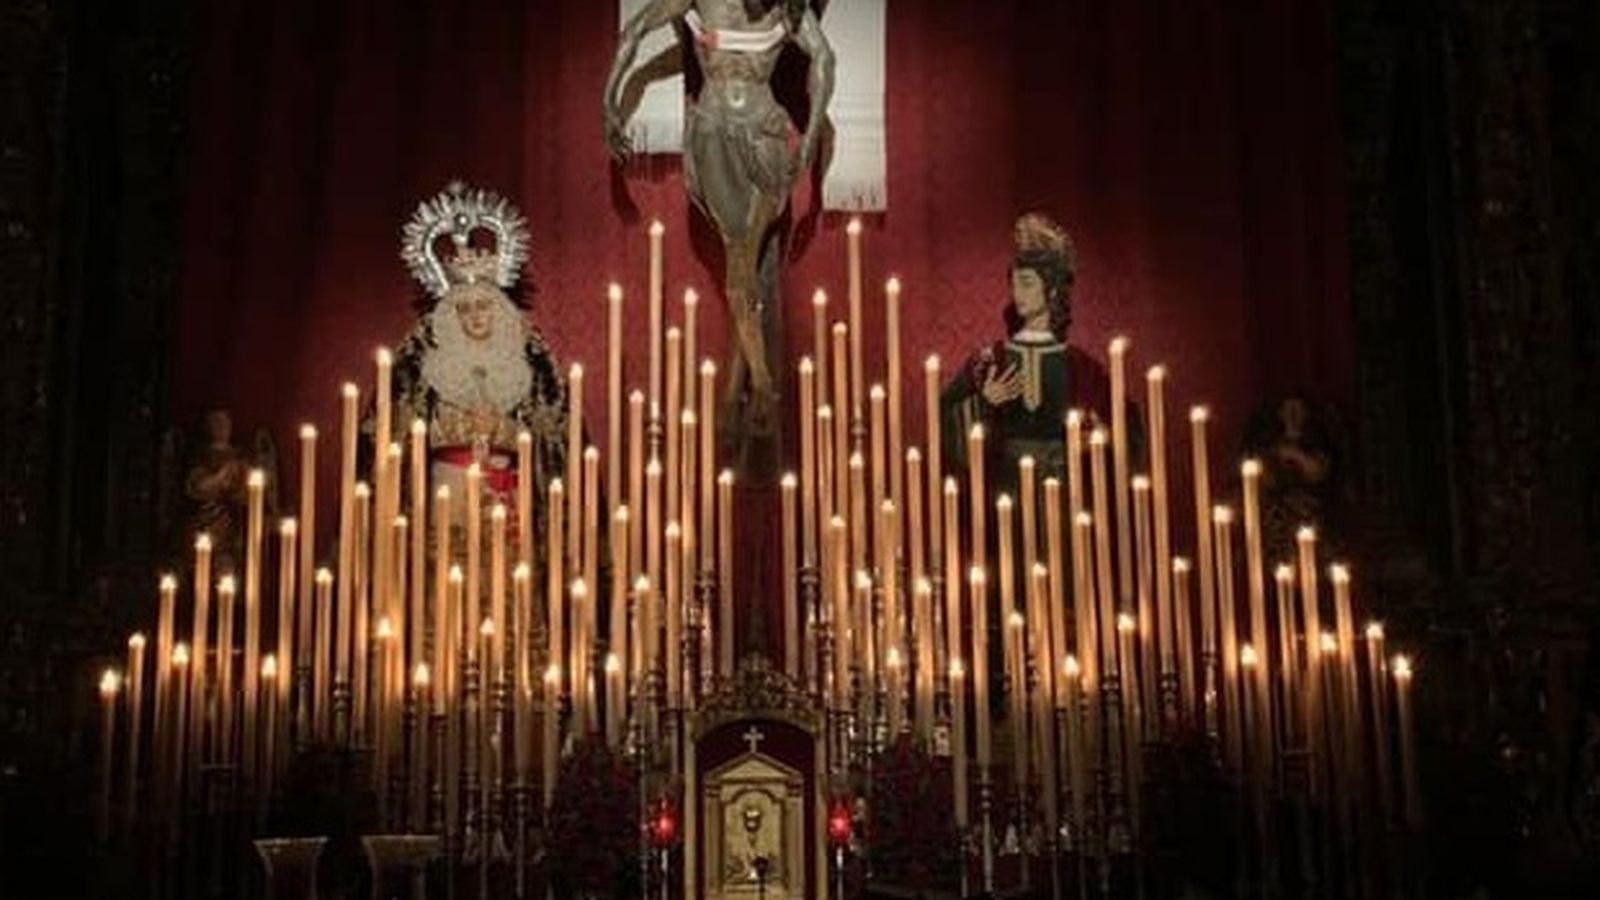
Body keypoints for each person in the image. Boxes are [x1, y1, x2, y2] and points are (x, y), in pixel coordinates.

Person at [605, 0, 835, 458]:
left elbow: (824, 57)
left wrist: (810, 133)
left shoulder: (786, 9)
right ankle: (744, 392)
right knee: (740, 261)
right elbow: (634, 31)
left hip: (766, 135)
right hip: (712, 134)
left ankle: (757, 391)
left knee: (742, 261)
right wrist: (609, 101)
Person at [392, 183, 569, 517]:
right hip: (446, 496)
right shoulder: (422, 353)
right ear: (451, 315)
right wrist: (455, 428)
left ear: (498, 309)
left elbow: (553, 439)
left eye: (483, 306)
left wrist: (504, 431)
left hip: (507, 499)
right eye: (465, 309)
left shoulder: (527, 351)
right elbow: (395, 433)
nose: (475, 316)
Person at [941, 213, 1119, 496]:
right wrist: (983, 403)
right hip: (1006, 490)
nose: (1017, 293)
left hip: (1064, 487)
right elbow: (944, 410)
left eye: (1027, 283)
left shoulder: (1081, 367)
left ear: (1051, 291)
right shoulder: (990, 361)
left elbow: (1119, 425)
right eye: (1013, 284)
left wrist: (1101, 438)